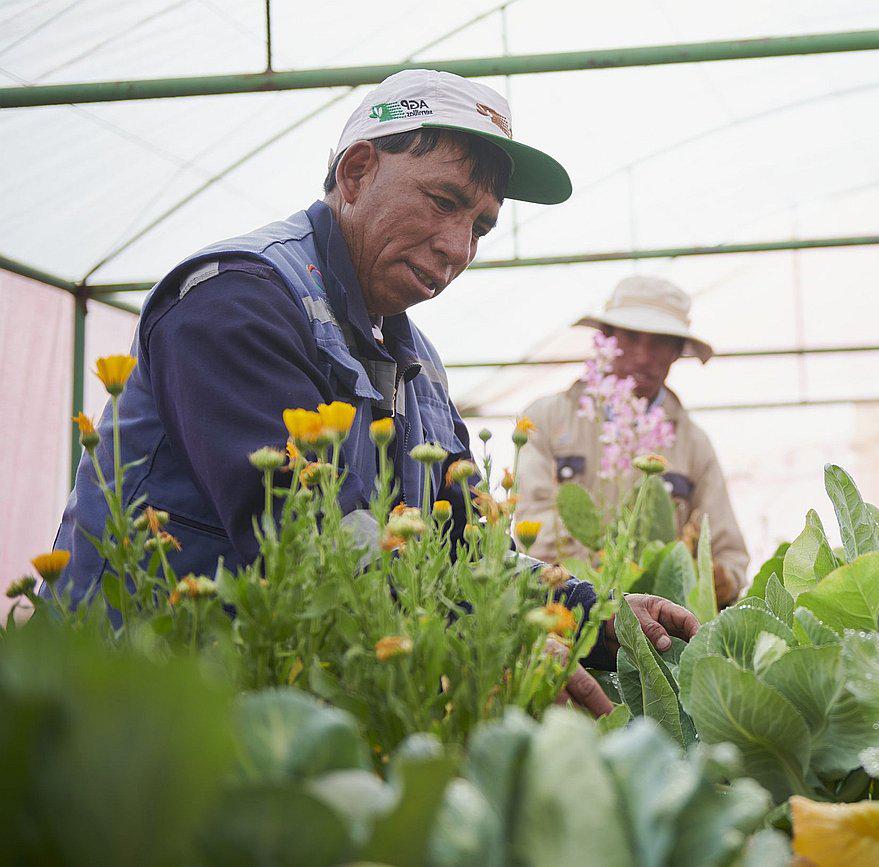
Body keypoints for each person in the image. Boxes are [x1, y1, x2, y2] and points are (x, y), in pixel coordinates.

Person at [51, 69, 693, 714]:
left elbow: (465, 547)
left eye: (481, 226)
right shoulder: (237, 301)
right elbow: (311, 542)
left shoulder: (416, 364)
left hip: (268, 708)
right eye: (444, 200)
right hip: (123, 706)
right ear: (356, 172)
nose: (458, 247)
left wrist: (589, 615)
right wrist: (490, 644)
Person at [515, 276, 750, 606]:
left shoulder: (693, 443)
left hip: (659, 628)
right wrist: (602, 577)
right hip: (562, 610)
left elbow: (729, 553)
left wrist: (718, 579)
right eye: (632, 337)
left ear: (677, 351)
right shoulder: (545, 418)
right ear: (606, 339)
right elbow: (531, 523)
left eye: (660, 342)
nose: (643, 355)